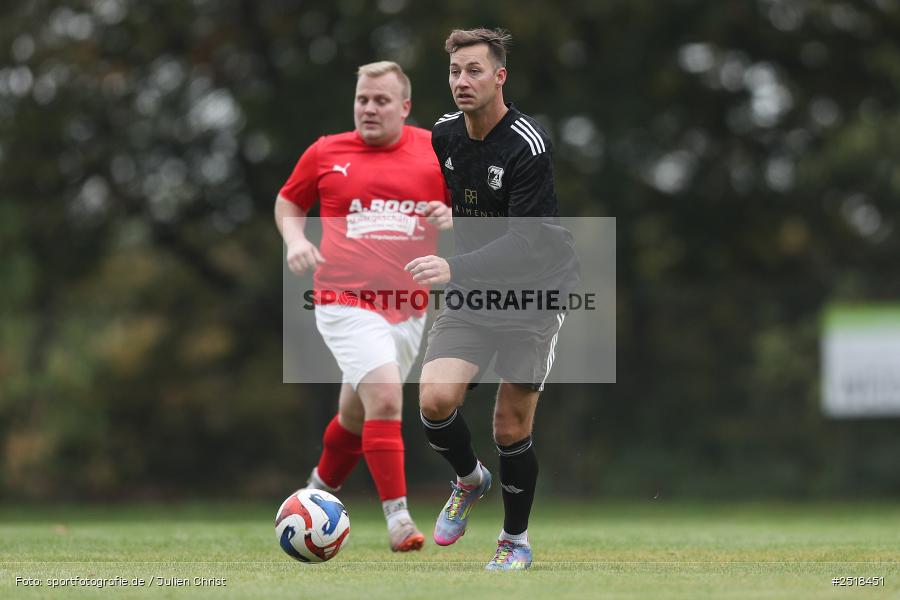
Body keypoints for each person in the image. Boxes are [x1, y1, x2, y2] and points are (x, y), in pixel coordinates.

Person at [405, 29, 579, 570]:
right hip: (476, 293)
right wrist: (450, 220)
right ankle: (468, 478)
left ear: (499, 76)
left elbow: (526, 241)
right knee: (434, 401)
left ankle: (514, 541)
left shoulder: (527, 144)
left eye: (474, 70)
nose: (462, 81)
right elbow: (478, 207)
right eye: (456, 71)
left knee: (510, 427)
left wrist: (451, 264)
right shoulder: (444, 134)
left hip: (535, 292)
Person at [275, 61, 452, 553]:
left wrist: (455, 213)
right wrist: (294, 240)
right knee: (389, 399)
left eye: (381, 100)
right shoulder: (326, 152)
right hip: (342, 299)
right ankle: (398, 519)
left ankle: (313, 495)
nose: (369, 109)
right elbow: (289, 202)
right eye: (362, 100)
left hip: (409, 307)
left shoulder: (436, 150)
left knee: (356, 415)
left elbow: (481, 206)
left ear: (406, 107)